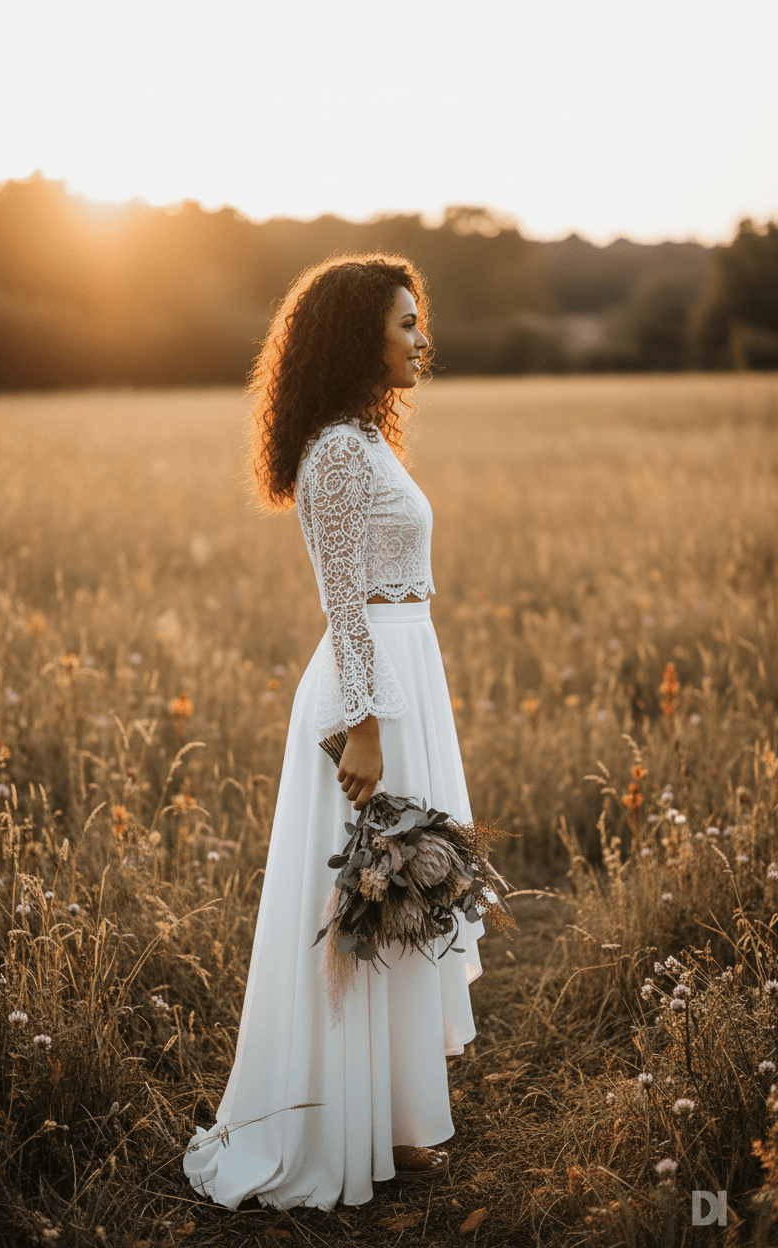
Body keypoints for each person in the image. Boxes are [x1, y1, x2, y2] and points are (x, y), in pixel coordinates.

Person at [184, 253, 485, 1212]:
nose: (420, 338)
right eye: (404, 323)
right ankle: (335, 1125)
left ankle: (395, 1117)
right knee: (361, 910)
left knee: (398, 906)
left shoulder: (365, 440)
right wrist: (363, 726)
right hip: (369, 695)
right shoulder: (339, 453)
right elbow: (342, 601)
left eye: (419, 321)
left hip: (404, 680)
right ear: (360, 334)